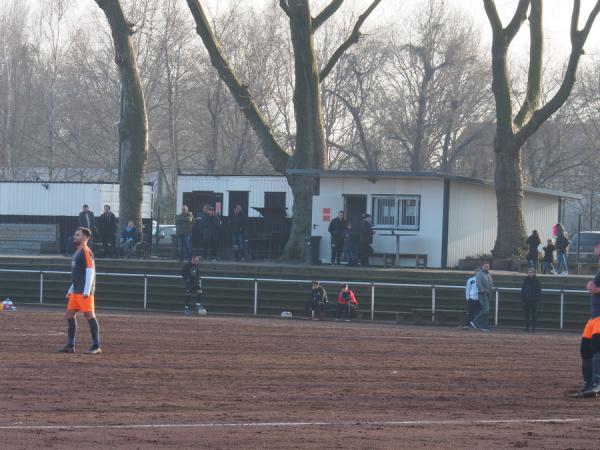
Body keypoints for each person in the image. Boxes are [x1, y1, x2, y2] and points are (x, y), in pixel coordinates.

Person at [58, 227, 101, 354]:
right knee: (70, 315)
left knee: (89, 316)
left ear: (85, 237)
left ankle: (96, 346)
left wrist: (87, 291)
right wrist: (71, 289)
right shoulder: (77, 252)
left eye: (77, 235)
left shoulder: (86, 251)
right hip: (76, 291)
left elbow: (90, 271)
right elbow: (77, 275)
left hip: (84, 292)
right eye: (75, 234)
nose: (74, 236)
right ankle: (70, 346)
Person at [574, 270, 600, 398]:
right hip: (593, 317)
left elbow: (593, 287)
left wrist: (593, 287)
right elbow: (592, 286)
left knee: (597, 348)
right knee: (585, 350)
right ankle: (589, 384)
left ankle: (597, 383)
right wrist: (591, 286)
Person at [470, 261, 494, 331]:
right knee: (486, 309)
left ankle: (484, 325)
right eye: (486, 266)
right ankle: (474, 322)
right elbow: (478, 283)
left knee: (486, 310)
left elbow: (490, 283)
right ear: (482, 267)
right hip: (482, 293)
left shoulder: (488, 274)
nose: (487, 268)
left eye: (488, 266)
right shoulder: (479, 273)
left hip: (488, 294)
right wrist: (483, 290)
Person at [521, 268, 542, 332]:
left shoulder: (537, 281)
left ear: (534, 273)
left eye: (531, 272)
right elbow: (523, 290)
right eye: (529, 272)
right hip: (526, 300)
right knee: (526, 315)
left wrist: (537, 299)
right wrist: (523, 299)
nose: (530, 273)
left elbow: (539, 291)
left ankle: (533, 328)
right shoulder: (525, 280)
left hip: (534, 301)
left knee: (534, 315)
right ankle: (527, 327)